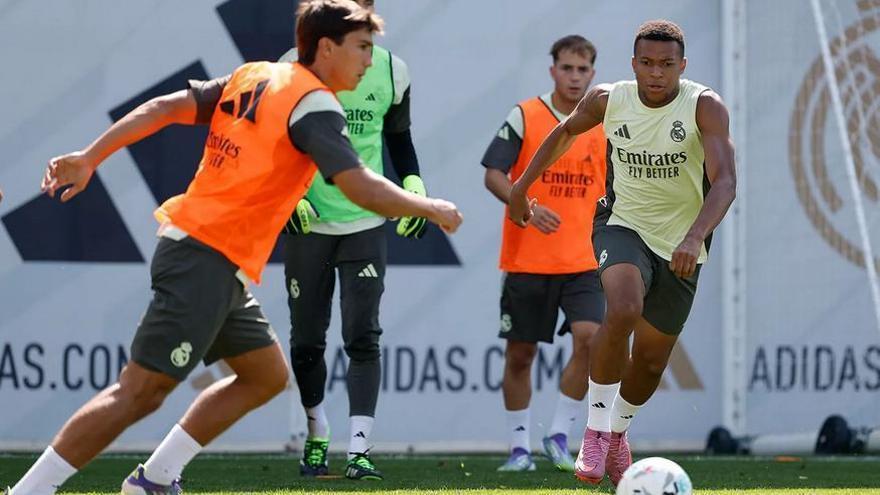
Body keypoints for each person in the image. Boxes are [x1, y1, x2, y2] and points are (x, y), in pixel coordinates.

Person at [8, 1, 461, 494]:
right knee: (140, 392)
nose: (370, 61)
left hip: (214, 259)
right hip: (204, 256)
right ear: (326, 48)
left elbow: (164, 108)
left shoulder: (255, 75)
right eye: (362, 47)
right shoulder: (315, 104)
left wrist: (90, 156)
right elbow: (359, 186)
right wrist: (429, 206)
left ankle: (154, 480)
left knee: (264, 375)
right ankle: (31, 491)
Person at [508, 19, 736, 486]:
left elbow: (726, 182)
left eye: (666, 64)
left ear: (682, 66)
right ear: (633, 64)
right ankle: (594, 433)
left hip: (682, 242)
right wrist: (521, 187)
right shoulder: (609, 100)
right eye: (647, 63)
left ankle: (617, 433)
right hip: (621, 225)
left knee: (650, 361)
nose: (656, 73)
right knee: (624, 307)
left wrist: (694, 236)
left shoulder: (705, 107)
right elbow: (564, 133)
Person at [276, 0, 426, 481]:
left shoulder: (393, 71)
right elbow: (275, 143)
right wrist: (289, 198)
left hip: (364, 220)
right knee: (306, 341)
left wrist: (413, 182)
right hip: (310, 222)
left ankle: (359, 450)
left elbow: (398, 138)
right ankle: (317, 431)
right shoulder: (291, 67)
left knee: (363, 335)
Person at [481, 35, 606, 473]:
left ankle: (558, 436)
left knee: (591, 340)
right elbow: (493, 174)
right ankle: (519, 449)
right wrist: (526, 207)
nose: (574, 77)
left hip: (586, 260)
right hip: (528, 260)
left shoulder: (604, 122)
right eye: (567, 68)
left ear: (593, 74)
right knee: (521, 355)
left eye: (583, 69)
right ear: (552, 70)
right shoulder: (526, 114)